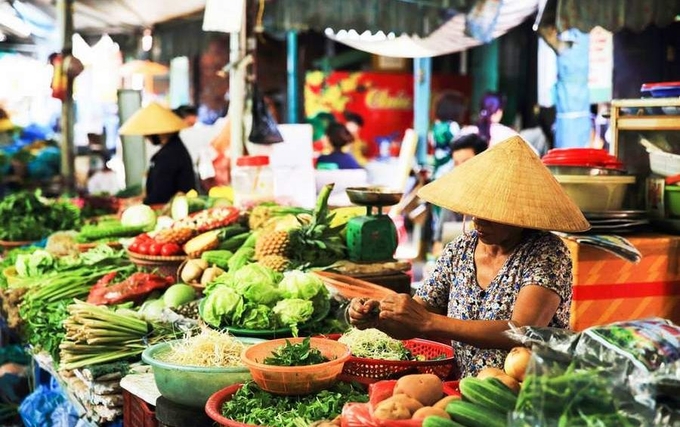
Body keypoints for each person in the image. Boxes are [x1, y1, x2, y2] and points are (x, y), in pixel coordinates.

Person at [347, 135, 590, 378]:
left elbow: (523, 331)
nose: (477, 220)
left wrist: (429, 322)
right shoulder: (460, 249)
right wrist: (377, 316)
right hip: (468, 388)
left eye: (490, 214)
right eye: (475, 210)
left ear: (519, 215)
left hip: (530, 389)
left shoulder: (547, 252)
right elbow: (416, 314)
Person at [119, 102, 196, 205]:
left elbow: (160, 195)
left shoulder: (169, 156)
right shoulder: (173, 149)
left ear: (162, 131)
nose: (145, 136)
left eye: (148, 132)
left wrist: (140, 204)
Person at [431, 134, 488, 256]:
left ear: (483, 161)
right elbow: (438, 245)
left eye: (466, 162)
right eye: (456, 163)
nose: (460, 168)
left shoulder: (496, 197)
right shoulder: (453, 196)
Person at [431, 92, 467, 180]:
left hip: (438, 171)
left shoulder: (436, 126)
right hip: (449, 172)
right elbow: (459, 147)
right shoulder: (452, 126)